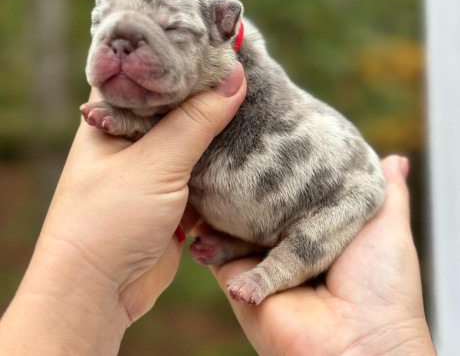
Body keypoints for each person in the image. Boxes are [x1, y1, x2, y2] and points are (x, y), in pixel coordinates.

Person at [0, 63, 435, 355]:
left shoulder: (238, 76)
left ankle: (269, 270)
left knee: (329, 219)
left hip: (327, 197)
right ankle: (240, 243)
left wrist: (377, 342)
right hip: (255, 213)